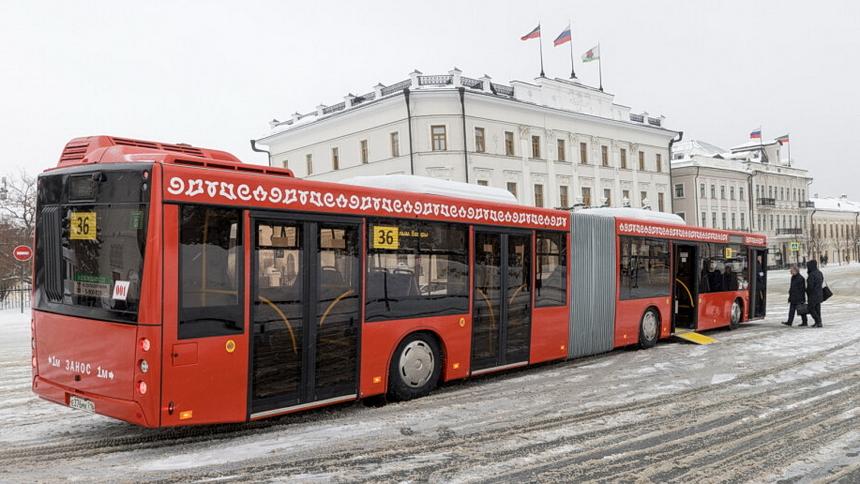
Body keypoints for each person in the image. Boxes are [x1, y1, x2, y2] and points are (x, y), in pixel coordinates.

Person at [806, 259, 824, 328]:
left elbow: (810, 286)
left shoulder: (812, 274)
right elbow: (822, 281)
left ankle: (818, 321)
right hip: (819, 293)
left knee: (811, 308)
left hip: (813, 294)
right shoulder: (819, 273)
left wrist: (807, 291)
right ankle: (818, 322)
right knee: (817, 309)